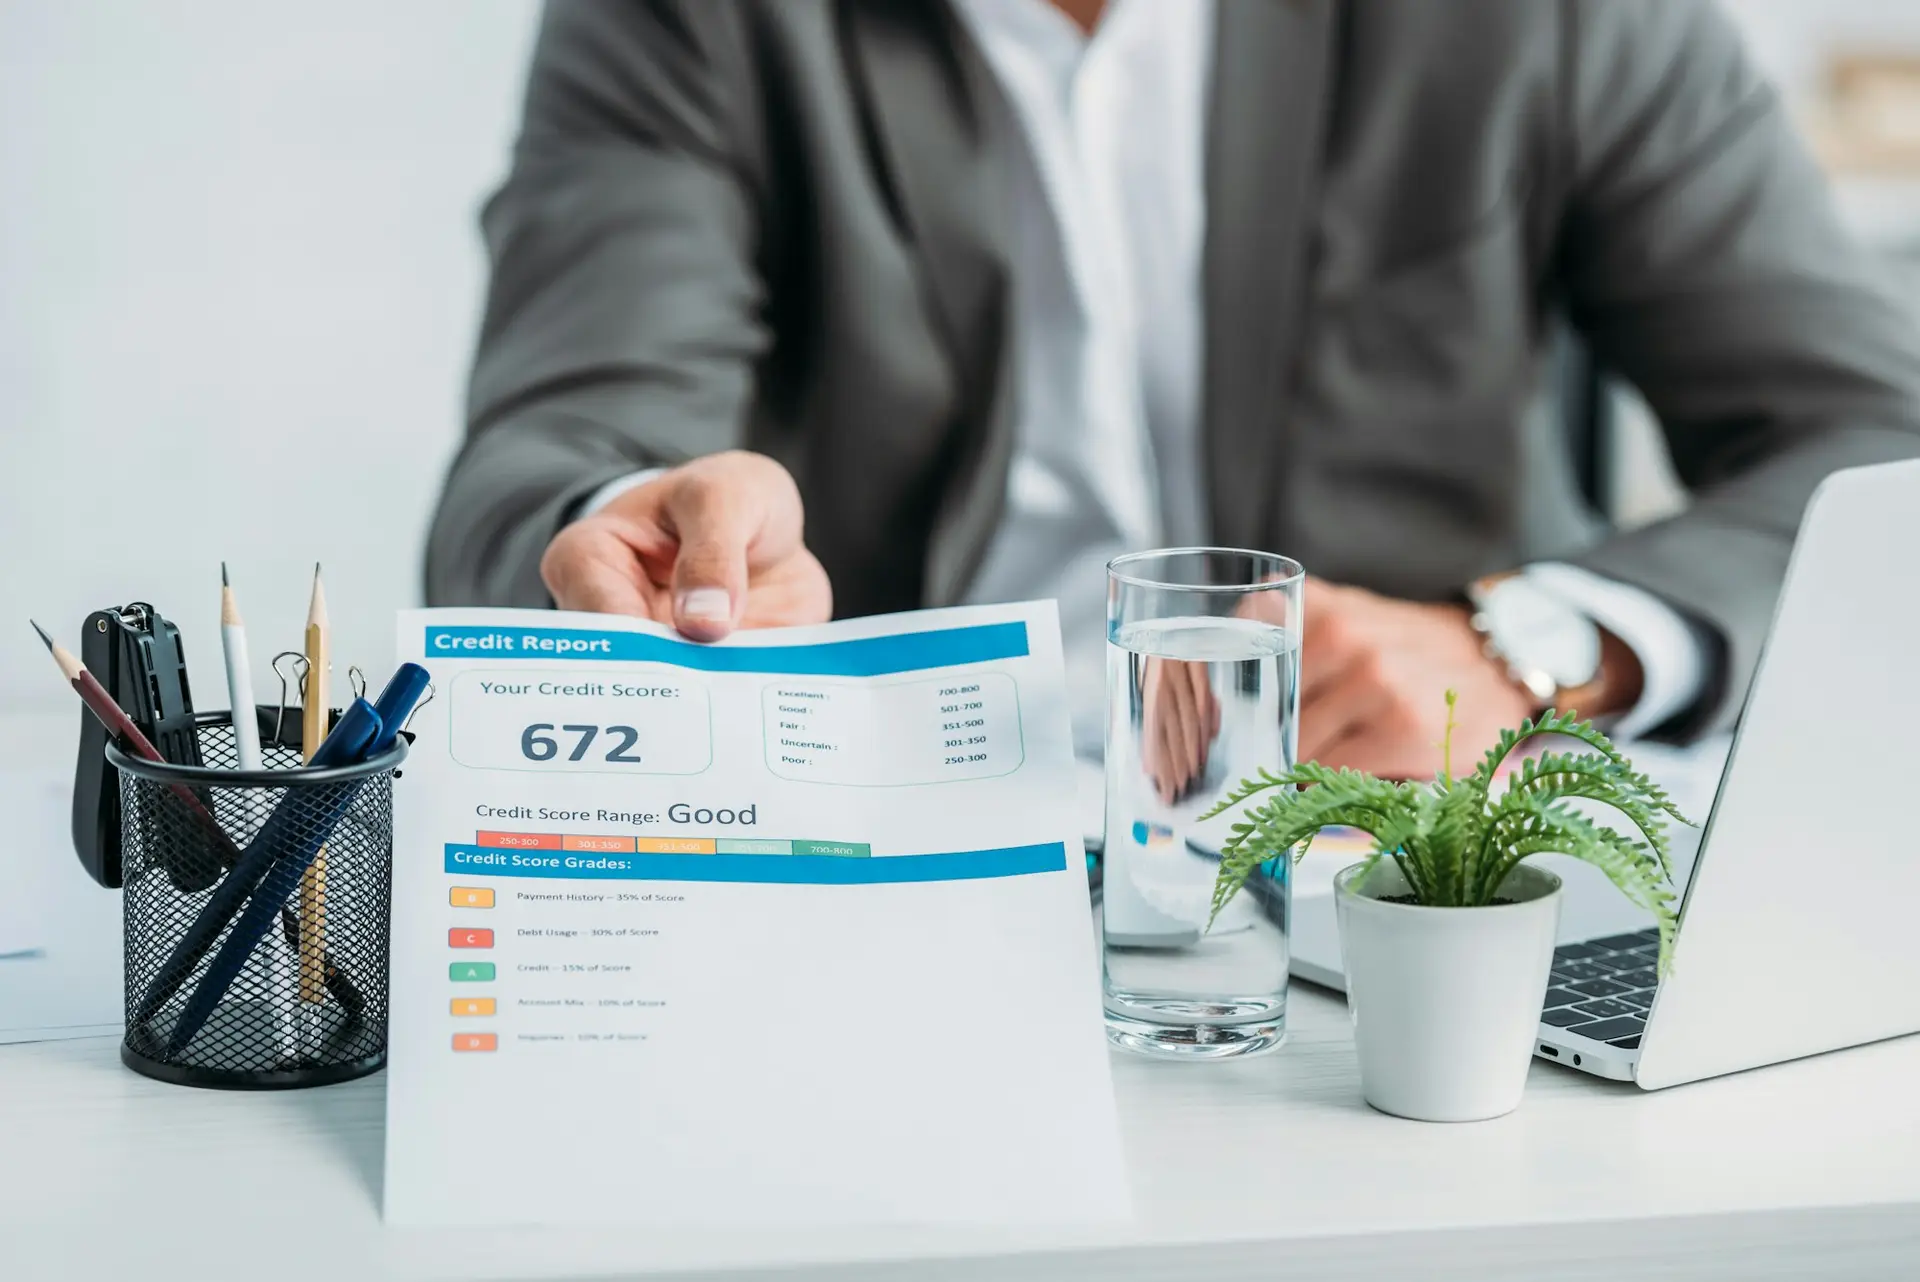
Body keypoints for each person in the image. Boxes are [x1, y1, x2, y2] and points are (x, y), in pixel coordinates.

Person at [426, 0, 1920, 785]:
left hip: (1415, 854)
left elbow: (1875, 435)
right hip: (914, 856)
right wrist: (630, 535)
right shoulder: (690, 15)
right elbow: (550, 452)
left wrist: (1532, 651)